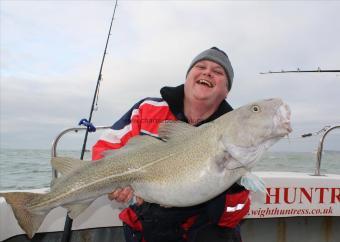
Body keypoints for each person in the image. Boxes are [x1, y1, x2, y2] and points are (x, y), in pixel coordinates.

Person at [92, 47, 250, 242]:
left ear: (226, 91)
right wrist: (116, 183)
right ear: (187, 78)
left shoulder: (234, 133)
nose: (207, 72)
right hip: (145, 229)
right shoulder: (148, 109)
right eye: (200, 66)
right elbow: (104, 151)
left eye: (218, 72)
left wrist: (230, 185)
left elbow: (232, 217)